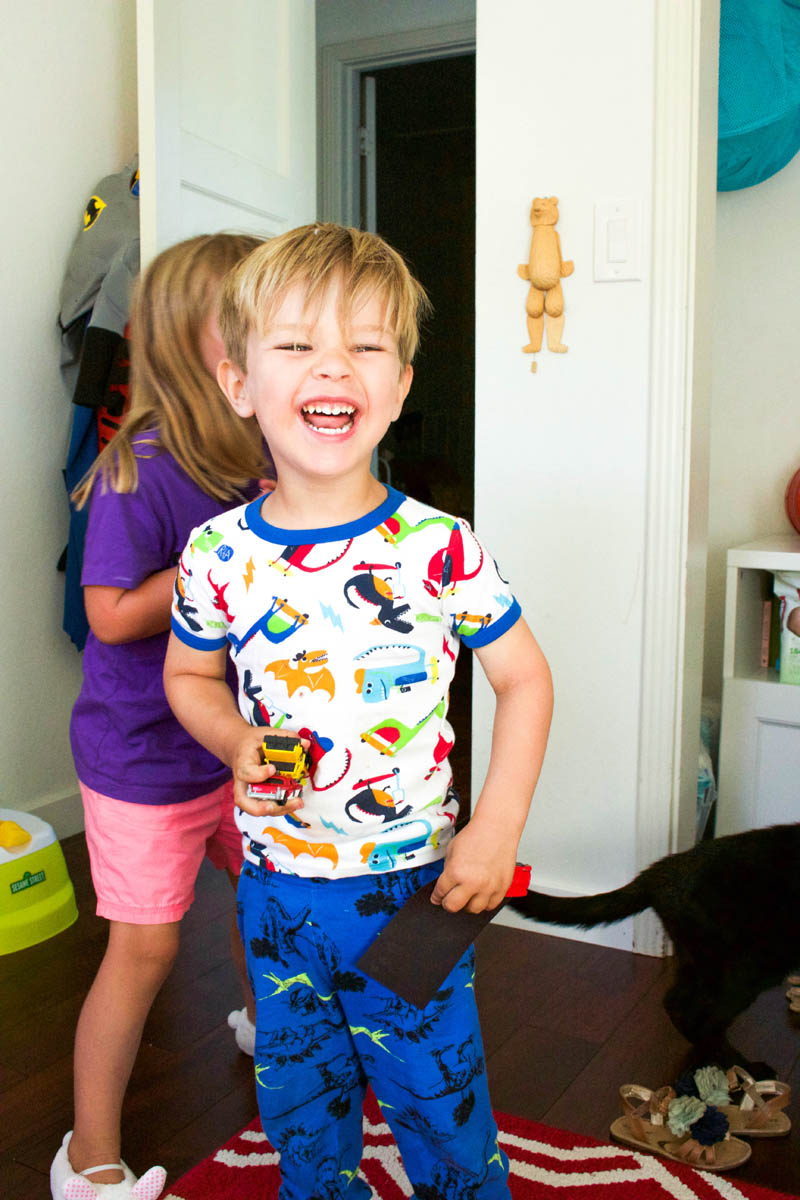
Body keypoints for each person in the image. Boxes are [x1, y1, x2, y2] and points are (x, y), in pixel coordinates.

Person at [164, 223, 553, 1199]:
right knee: (301, 1110)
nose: (331, 364)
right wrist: (234, 738)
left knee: (440, 1108)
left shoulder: (439, 549)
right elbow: (188, 678)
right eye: (295, 344)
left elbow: (524, 680)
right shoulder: (217, 556)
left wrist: (493, 830)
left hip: (413, 893)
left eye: (364, 345)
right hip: (276, 894)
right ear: (238, 384)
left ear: (399, 386)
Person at [51, 234, 274, 1200]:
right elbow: (106, 615)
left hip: (239, 741)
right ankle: (87, 1155)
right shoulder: (139, 470)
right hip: (144, 756)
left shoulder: (264, 452)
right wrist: (209, 562)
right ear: (204, 346)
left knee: (264, 905)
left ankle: (277, 1039)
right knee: (144, 947)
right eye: (268, 327)